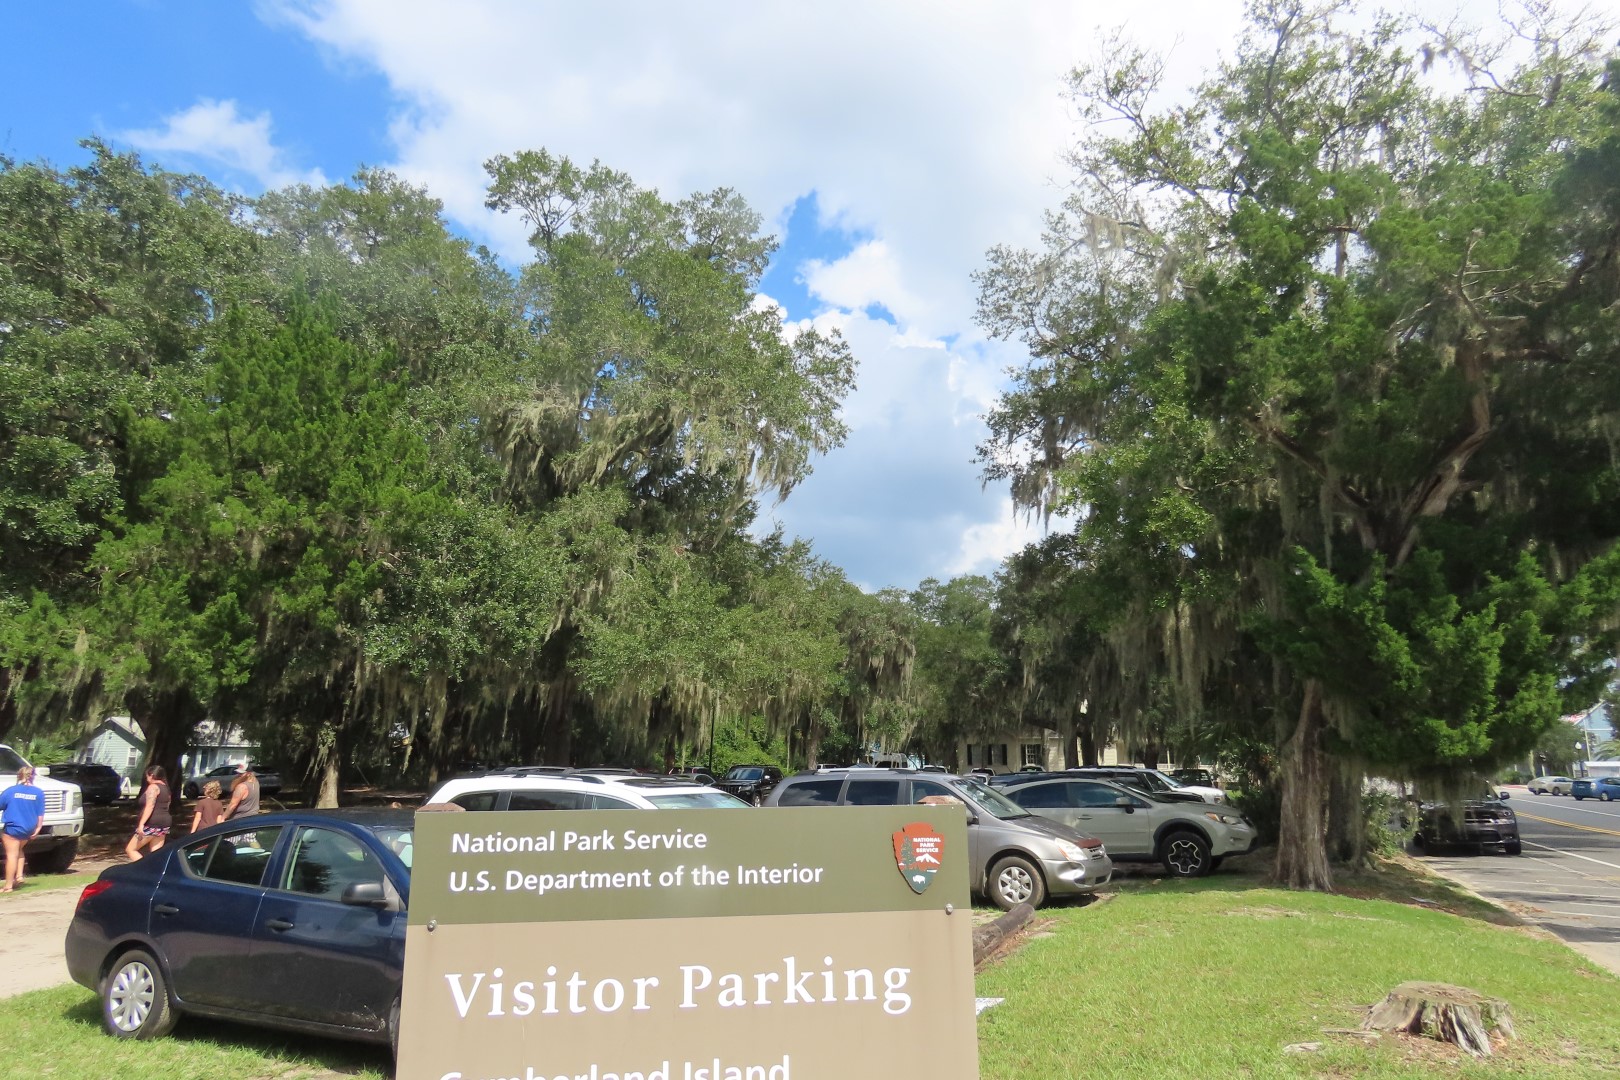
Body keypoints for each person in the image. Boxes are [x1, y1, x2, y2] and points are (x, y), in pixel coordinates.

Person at [0, 765, 45, 892]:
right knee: (19, 848)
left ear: (19, 776)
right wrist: (38, 828)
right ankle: (19, 876)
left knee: (11, 855)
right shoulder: (38, 792)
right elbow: (40, 813)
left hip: (13, 828)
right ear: (33, 776)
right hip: (28, 828)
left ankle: (8, 886)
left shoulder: (11, 791)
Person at [126, 765, 173, 862]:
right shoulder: (166, 788)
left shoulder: (153, 787)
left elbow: (150, 806)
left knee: (131, 849)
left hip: (152, 823)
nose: (147, 779)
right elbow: (168, 805)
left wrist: (141, 824)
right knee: (155, 854)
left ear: (152, 775)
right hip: (164, 823)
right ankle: (155, 873)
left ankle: (145, 869)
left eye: (147, 776)